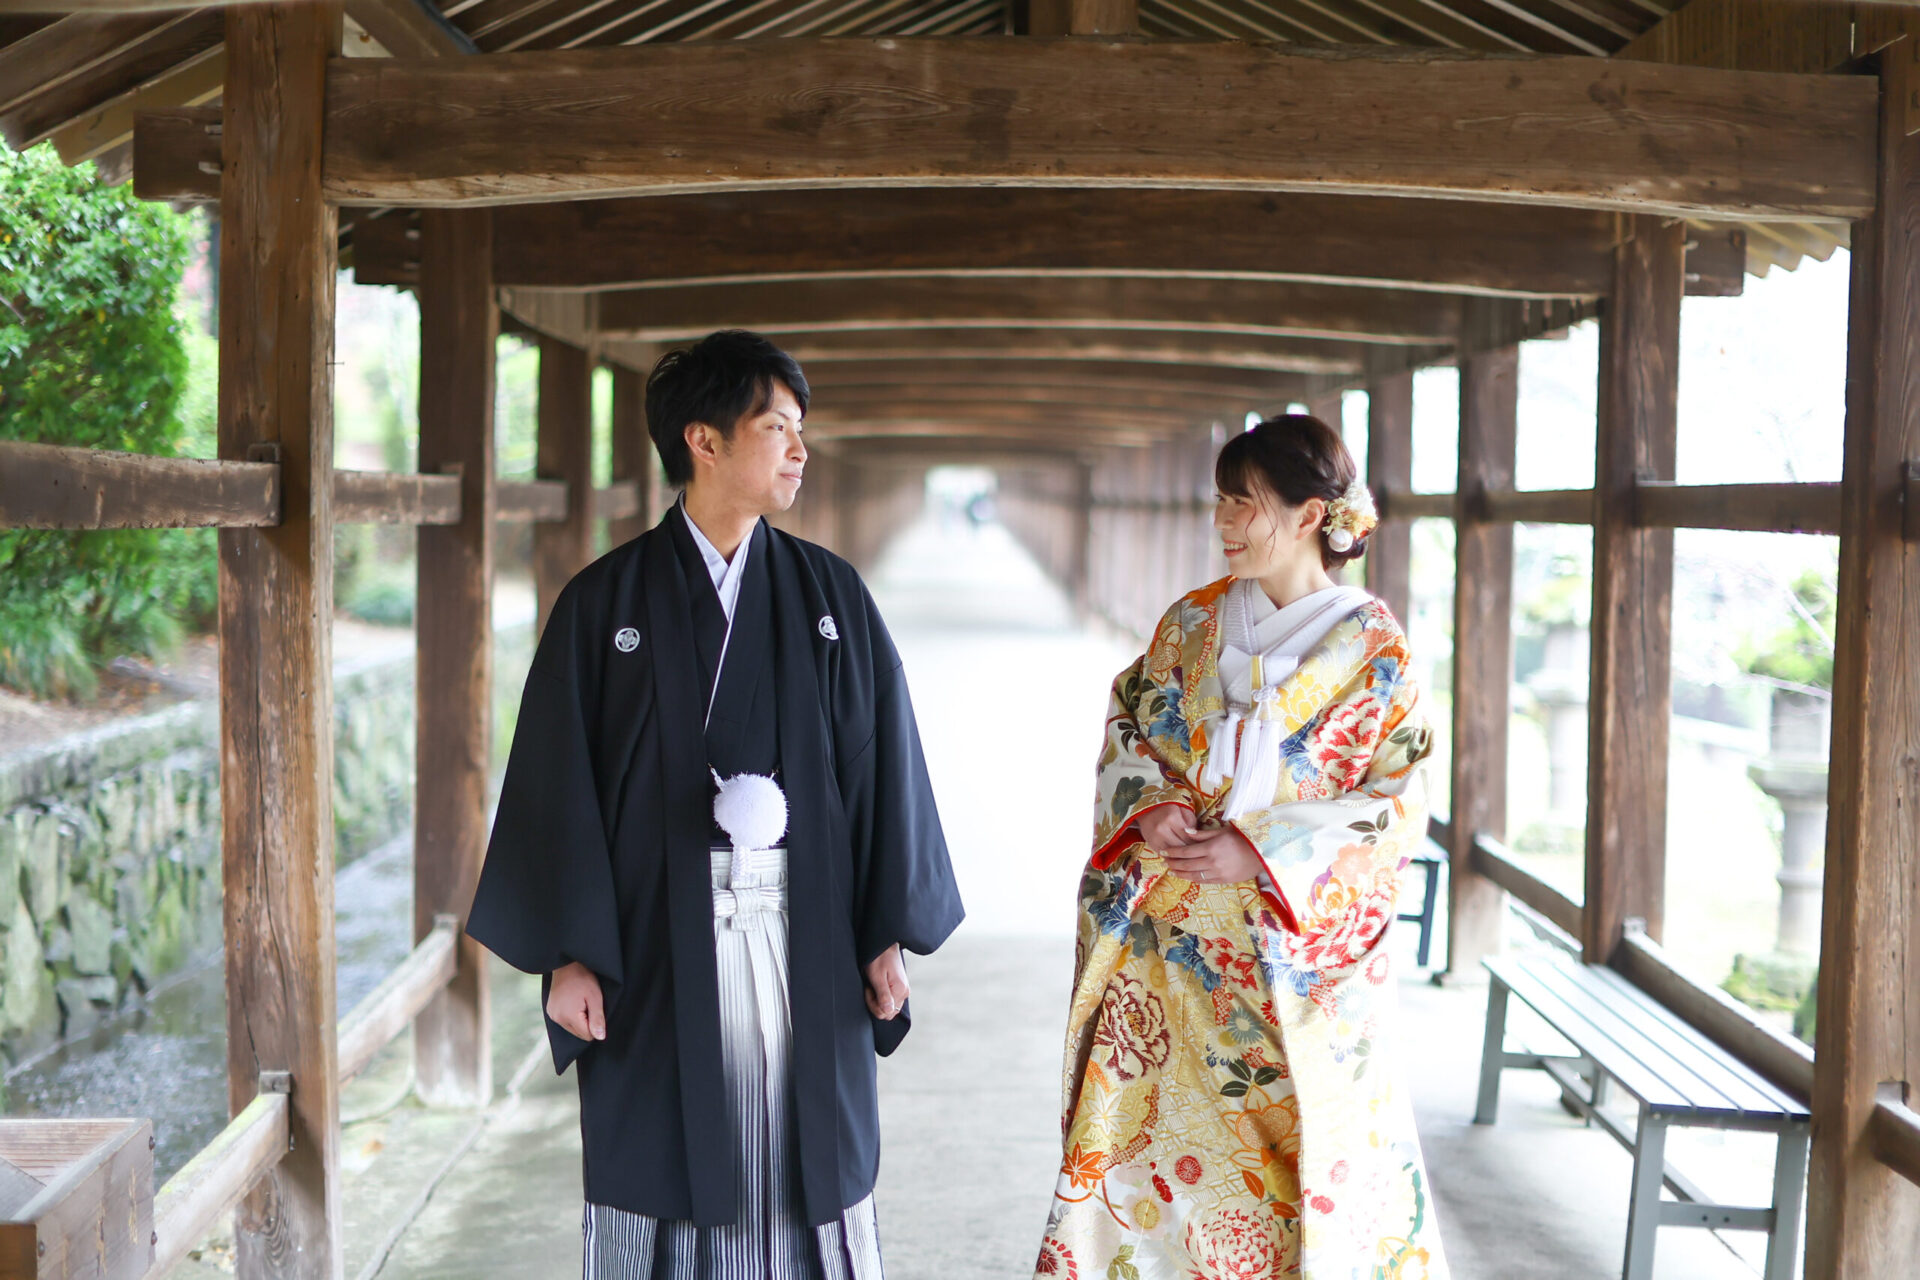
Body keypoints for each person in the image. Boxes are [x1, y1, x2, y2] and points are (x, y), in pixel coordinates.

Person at [467, 330, 965, 1279]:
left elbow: (880, 770)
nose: (798, 449)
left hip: (805, 930)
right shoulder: (602, 604)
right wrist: (570, 953)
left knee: (802, 1150)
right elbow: (555, 783)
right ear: (703, 441)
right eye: (774, 426)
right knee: (667, 1155)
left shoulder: (832, 597)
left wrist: (883, 933)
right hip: (655, 941)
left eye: (800, 428)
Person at [1034, 415, 1448, 1280]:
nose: (1223, 523)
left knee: (1305, 1168)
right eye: (1221, 502)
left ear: (1308, 515)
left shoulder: (1375, 651)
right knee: (1148, 1157)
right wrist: (1146, 810)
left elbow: (1397, 801)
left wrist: (1260, 851)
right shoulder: (1190, 622)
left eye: (1243, 503)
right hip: (1168, 953)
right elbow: (1129, 727)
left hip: (1289, 957)